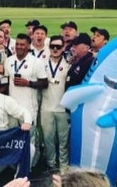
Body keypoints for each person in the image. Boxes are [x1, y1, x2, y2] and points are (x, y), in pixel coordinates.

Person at [4, 33, 48, 166]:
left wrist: (28, 83)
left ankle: (30, 164)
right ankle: (14, 162)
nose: (19, 47)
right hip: (12, 106)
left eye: (22, 44)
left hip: (29, 107)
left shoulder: (36, 62)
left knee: (30, 138)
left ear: (29, 45)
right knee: (13, 136)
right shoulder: (9, 60)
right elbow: (6, 82)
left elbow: (44, 83)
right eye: (17, 44)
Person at [41, 35, 70, 172]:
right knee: (48, 139)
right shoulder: (42, 63)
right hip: (46, 107)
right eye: (53, 46)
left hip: (62, 108)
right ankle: (50, 164)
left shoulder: (68, 64)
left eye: (58, 46)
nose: (55, 49)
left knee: (63, 140)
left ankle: (63, 165)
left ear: (63, 47)